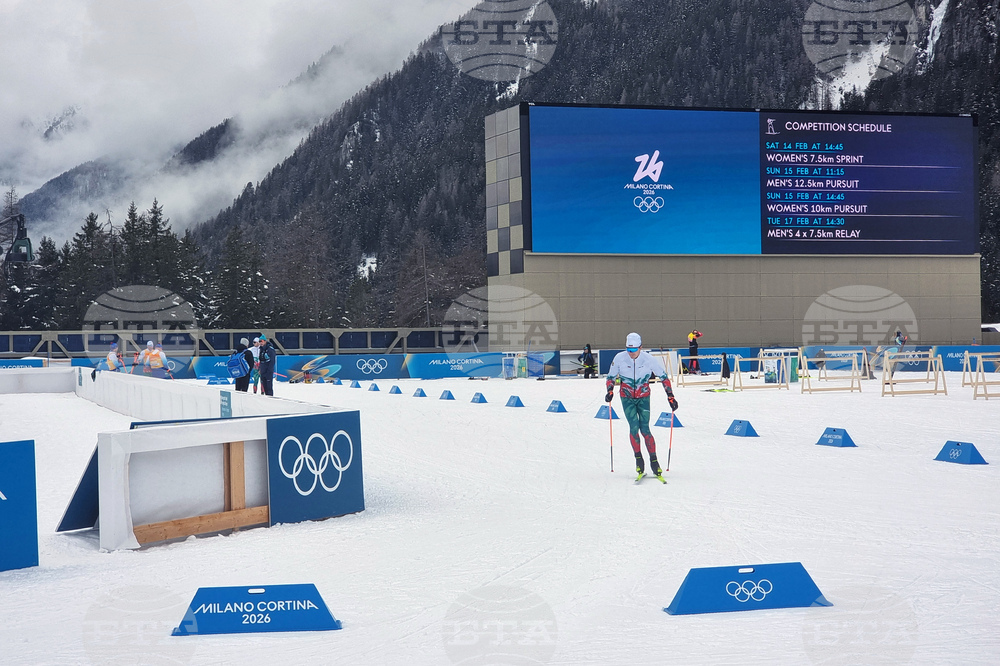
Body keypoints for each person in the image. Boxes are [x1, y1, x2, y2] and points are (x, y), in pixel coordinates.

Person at [605, 332, 679, 478]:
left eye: (633, 350)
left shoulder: (649, 359)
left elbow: (664, 377)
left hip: (643, 397)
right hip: (626, 398)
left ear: (641, 347)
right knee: (634, 427)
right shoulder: (619, 358)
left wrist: (670, 396)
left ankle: (654, 460)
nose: (631, 353)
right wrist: (610, 391)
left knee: (645, 429)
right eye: (628, 349)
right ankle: (639, 459)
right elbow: (610, 377)